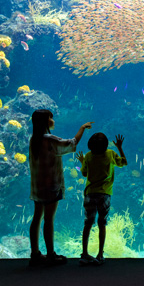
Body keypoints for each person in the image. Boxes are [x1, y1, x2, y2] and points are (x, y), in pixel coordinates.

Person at [28, 109, 93, 266]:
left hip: (37, 186)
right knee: (49, 219)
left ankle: (35, 253)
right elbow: (72, 143)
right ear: (45, 122)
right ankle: (51, 254)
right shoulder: (50, 139)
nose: (53, 120)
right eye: (51, 117)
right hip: (51, 186)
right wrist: (82, 128)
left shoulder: (34, 139)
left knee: (37, 218)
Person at [76, 132, 127, 265]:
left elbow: (84, 173)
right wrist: (120, 147)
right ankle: (100, 254)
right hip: (105, 194)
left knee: (87, 224)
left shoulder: (88, 156)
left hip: (90, 194)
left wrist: (82, 162)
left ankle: (84, 254)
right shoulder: (110, 154)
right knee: (102, 224)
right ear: (105, 146)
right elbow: (124, 163)